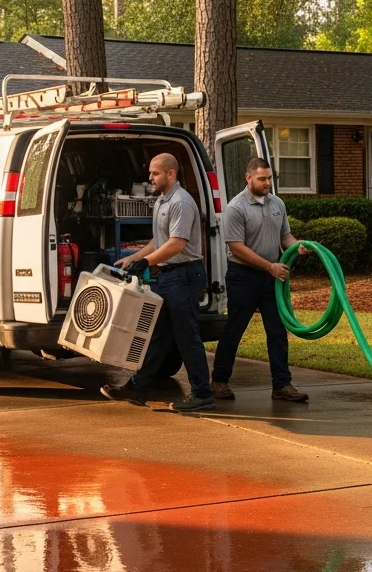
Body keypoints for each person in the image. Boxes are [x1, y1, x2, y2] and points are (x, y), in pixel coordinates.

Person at [100, 152, 216, 412]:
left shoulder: (182, 203)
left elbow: (176, 244)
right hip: (169, 277)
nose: (149, 177)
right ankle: (138, 387)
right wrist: (135, 258)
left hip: (185, 275)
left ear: (170, 174)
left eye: (155, 173)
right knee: (157, 334)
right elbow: (160, 241)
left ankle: (203, 394)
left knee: (187, 337)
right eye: (150, 173)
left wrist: (147, 262)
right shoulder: (163, 201)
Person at [211, 157, 309, 402]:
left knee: (277, 331)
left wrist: (298, 246)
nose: (267, 183)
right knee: (234, 330)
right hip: (243, 277)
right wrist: (269, 267)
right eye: (262, 179)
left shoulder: (277, 203)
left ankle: (282, 385)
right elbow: (236, 247)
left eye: (269, 178)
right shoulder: (236, 207)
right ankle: (219, 381)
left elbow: (284, 236)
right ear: (249, 178)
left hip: (271, 278)